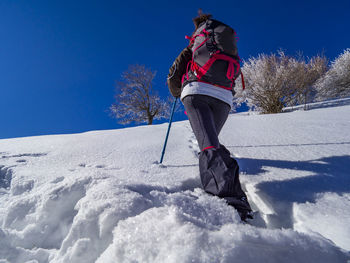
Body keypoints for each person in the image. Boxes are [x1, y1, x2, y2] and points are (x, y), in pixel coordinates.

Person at [167, 12, 253, 221]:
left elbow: (173, 74)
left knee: (208, 145)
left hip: (197, 92)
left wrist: (177, 90)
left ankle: (230, 200)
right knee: (210, 141)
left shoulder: (193, 47)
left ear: (197, 31)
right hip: (224, 98)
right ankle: (225, 178)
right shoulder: (225, 42)